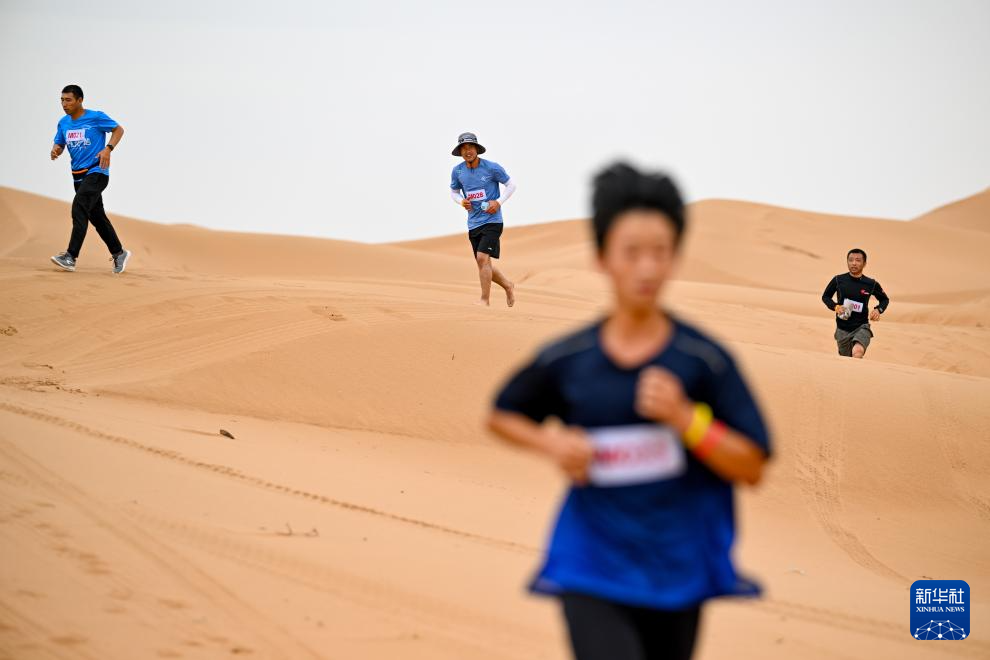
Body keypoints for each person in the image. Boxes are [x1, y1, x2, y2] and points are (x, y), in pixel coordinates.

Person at [486, 163, 772, 660]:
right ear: (602, 258)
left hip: (678, 571)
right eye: (631, 252)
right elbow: (502, 414)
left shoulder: (703, 361)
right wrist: (552, 443)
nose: (646, 268)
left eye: (660, 252)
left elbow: (752, 464)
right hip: (591, 564)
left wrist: (688, 420)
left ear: (675, 257)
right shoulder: (570, 359)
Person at [49, 84, 131, 273]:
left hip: (97, 172)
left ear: (80, 100)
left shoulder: (95, 117)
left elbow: (118, 130)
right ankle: (119, 253)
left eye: (68, 100)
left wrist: (108, 149)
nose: (64, 104)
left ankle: (70, 256)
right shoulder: (63, 122)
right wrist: (56, 149)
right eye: (62, 100)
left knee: (79, 206)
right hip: (77, 177)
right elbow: (59, 142)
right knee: (97, 218)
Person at [449, 132, 517, 306]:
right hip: (473, 223)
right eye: (463, 148)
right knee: (484, 263)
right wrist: (461, 201)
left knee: (481, 259)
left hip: (492, 221)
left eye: (470, 147)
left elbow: (511, 185)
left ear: (476, 149)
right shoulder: (457, 172)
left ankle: (484, 300)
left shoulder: (492, 168)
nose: (467, 151)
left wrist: (499, 202)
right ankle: (508, 285)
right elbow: (454, 192)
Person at [821, 249, 890, 359]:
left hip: (861, 326)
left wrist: (878, 310)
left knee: (857, 352)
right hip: (842, 329)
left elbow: (884, 300)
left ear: (864, 263)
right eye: (851, 260)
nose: (854, 263)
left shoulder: (871, 283)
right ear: (847, 262)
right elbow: (825, 297)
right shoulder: (838, 280)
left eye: (858, 260)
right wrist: (835, 306)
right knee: (846, 359)